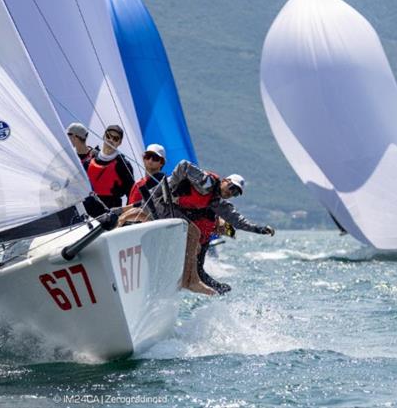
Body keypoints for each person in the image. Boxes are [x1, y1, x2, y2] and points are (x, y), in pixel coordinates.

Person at [153, 160, 275, 295]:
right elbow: (184, 166)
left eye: (235, 193)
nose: (231, 193)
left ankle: (215, 289)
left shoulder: (219, 205)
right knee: (193, 236)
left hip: (194, 235)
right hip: (162, 203)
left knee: (198, 266)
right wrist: (170, 187)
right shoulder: (207, 183)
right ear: (224, 181)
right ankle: (189, 282)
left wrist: (259, 229)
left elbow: (238, 222)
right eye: (232, 188)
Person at [83, 124, 135, 218]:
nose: (111, 140)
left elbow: (132, 194)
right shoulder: (88, 162)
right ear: (103, 136)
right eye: (108, 136)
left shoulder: (123, 165)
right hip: (88, 217)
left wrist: (126, 218)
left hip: (111, 218)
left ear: (119, 142)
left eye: (115, 139)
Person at [116, 144, 167, 226]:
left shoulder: (161, 180)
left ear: (161, 163)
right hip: (132, 226)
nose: (150, 160)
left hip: (148, 228)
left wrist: (122, 211)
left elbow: (150, 202)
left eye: (155, 158)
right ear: (144, 158)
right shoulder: (138, 183)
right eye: (148, 156)